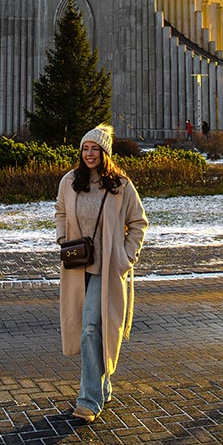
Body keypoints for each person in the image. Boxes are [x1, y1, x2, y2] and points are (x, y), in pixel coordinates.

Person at [54, 124, 148, 423]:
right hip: (76, 265)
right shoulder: (69, 181)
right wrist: (61, 238)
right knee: (86, 329)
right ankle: (102, 385)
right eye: (85, 148)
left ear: (105, 153)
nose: (89, 154)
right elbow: (59, 211)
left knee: (92, 329)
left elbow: (138, 223)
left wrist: (126, 257)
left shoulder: (120, 185)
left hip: (106, 268)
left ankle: (88, 399)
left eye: (95, 149)